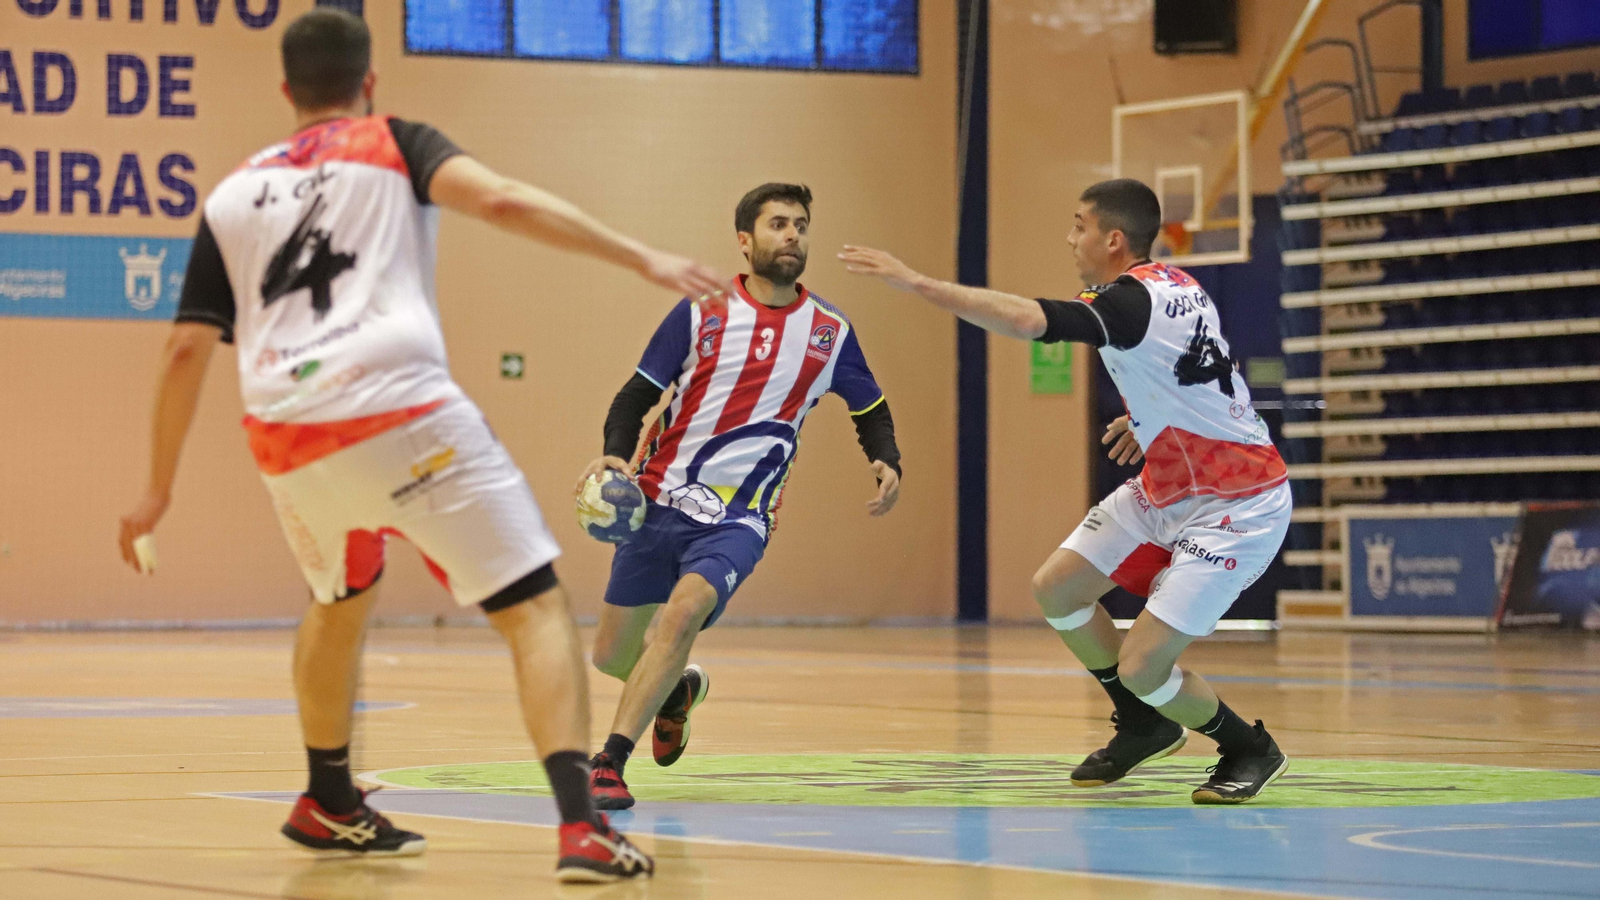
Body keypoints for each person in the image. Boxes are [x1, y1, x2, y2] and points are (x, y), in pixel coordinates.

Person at [114, 8, 725, 881]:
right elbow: (505, 200)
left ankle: (329, 798)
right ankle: (582, 828)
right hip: (400, 414)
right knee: (536, 608)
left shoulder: (233, 193)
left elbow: (183, 348)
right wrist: (639, 258)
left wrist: (156, 492)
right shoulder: (395, 141)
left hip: (286, 438)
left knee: (339, 595)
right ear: (369, 83)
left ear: (285, 91)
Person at [840, 178, 1292, 804]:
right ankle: (1143, 722)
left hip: (1237, 502)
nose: (1068, 236)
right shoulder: (1177, 285)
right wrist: (1148, 421)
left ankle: (1247, 747)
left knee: (1143, 665)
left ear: (1112, 238)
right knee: (1059, 587)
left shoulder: (1129, 306)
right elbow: (1199, 374)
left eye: (1077, 223)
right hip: (1172, 483)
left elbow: (1029, 320)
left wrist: (917, 283)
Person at [576, 183, 903, 810]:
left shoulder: (829, 332)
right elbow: (634, 395)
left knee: (680, 615)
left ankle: (609, 763)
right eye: (779, 224)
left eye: (801, 225)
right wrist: (617, 449)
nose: (793, 236)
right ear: (745, 240)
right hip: (657, 500)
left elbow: (871, 407)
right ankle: (675, 693)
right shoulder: (701, 310)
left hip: (740, 518)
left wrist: (885, 458)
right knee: (613, 655)